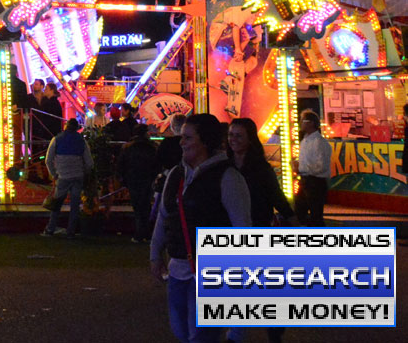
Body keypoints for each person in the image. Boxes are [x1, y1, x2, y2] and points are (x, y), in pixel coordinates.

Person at [150, 113, 252, 343]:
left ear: (204, 141)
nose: (181, 142)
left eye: (187, 137)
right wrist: (155, 254)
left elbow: (242, 228)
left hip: (212, 269)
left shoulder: (228, 178)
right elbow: (164, 217)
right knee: (181, 330)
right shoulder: (176, 175)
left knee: (202, 335)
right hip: (178, 266)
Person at [226, 117, 295, 343]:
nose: (233, 140)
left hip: (258, 227)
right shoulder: (224, 165)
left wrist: (289, 215)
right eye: (231, 135)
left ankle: (274, 326)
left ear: (250, 139)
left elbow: (275, 195)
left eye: (238, 136)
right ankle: (236, 333)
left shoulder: (260, 168)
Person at [44, 118, 92, 237]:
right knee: (75, 205)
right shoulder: (82, 141)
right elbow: (89, 163)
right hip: (78, 176)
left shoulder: (57, 139)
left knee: (57, 204)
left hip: (63, 176)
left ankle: (51, 229)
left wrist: (54, 174)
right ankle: (71, 231)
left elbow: (48, 160)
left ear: (65, 126)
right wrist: (85, 172)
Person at [117, 124, 161, 242]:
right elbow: (157, 165)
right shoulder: (152, 147)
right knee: (146, 205)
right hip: (147, 178)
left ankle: (140, 232)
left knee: (137, 206)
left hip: (133, 179)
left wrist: (123, 178)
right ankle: (145, 232)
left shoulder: (127, 147)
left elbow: (121, 164)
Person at [293, 109, 330, 227]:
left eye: (303, 121)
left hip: (315, 182)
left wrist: (301, 167)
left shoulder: (320, 142)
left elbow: (321, 166)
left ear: (311, 123)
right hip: (306, 180)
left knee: (316, 215)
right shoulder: (305, 140)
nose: (301, 123)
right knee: (300, 212)